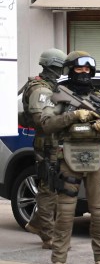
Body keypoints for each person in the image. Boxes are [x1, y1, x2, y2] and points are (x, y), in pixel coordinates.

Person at [40, 52, 100, 264]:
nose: (84, 72)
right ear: (70, 70)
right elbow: (46, 124)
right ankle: (58, 261)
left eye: (88, 69)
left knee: (99, 212)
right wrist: (74, 115)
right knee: (65, 213)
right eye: (79, 68)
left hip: (96, 159)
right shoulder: (59, 96)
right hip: (68, 158)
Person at [20, 48, 67, 249]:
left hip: (55, 143)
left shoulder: (50, 86)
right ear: (51, 67)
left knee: (55, 188)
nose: (61, 72)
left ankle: (37, 223)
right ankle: (48, 235)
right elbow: (42, 121)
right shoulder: (41, 89)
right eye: (59, 68)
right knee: (49, 189)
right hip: (48, 145)